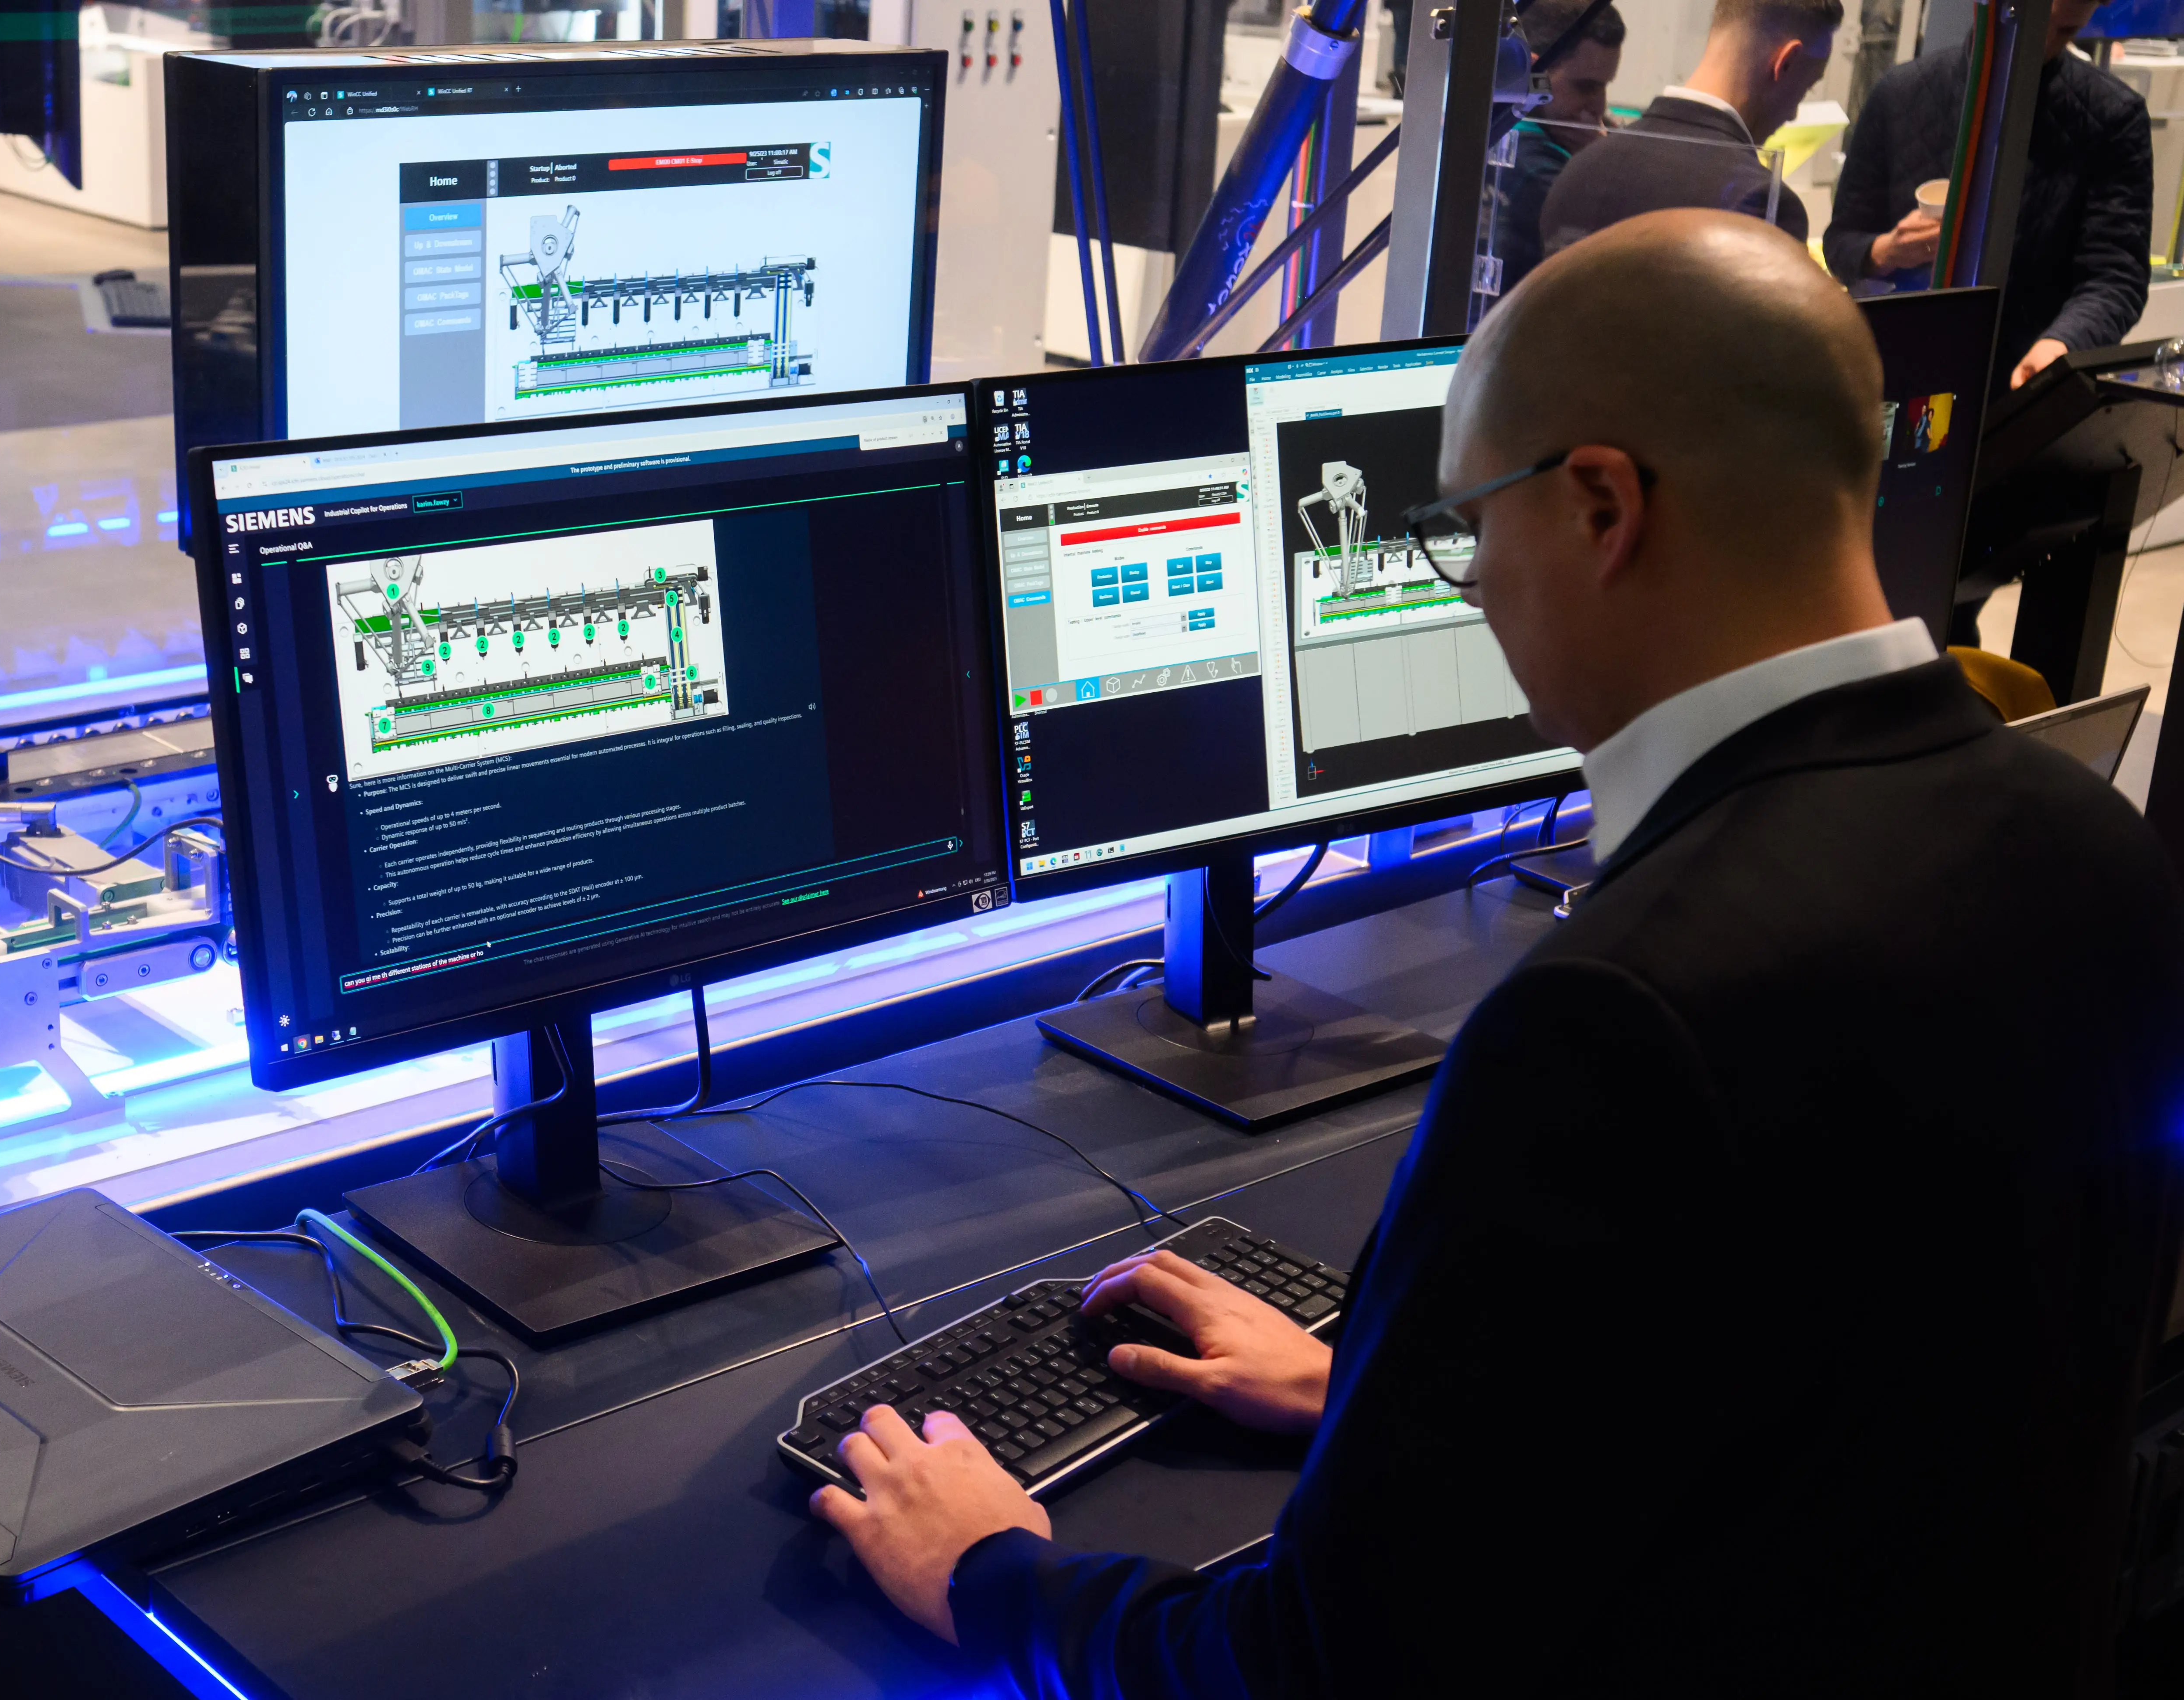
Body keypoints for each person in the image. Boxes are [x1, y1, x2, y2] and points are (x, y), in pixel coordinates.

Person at [809, 210, 2184, 1695]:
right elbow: (1850, 1393)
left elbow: (1314, 1673)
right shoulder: (2094, 849)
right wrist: (1385, 1393)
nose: (1467, 584)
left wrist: (991, 1579)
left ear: (1600, 507)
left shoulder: (1621, 1016)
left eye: (1467, 528)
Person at [1824, 0, 2150, 391]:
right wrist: (1886, 251)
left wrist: (2063, 343)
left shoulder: (2112, 116)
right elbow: (1841, 242)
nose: (2036, 43)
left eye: (2063, 31)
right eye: (2022, 22)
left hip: (2026, 386)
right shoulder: (1899, 94)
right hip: (1904, 369)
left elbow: (2117, 277)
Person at [1537, 0, 1837, 256]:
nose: (1793, 114)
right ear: (1786, 63)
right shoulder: (1765, 205)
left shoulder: (1578, 170)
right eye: (1807, 87)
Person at [1492, 0, 1627, 295]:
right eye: (1585, 87)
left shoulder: (1529, 129)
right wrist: (1598, 160)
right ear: (1533, 72)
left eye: (1605, 86)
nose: (1599, 106)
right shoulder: (1526, 158)